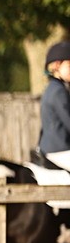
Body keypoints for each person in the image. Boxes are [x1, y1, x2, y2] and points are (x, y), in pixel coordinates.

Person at [38, 41, 70, 170]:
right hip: (60, 152)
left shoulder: (51, 88)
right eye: (69, 65)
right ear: (57, 66)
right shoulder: (58, 92)